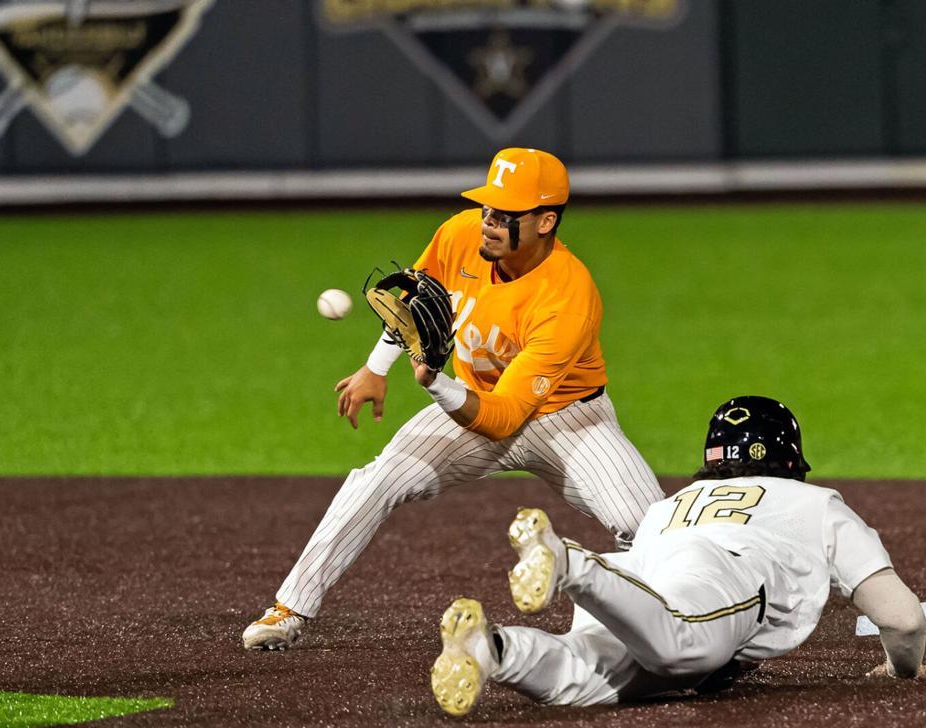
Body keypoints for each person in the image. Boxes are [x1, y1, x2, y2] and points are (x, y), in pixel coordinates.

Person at [242, 148, 664, 650]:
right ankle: (289, 608)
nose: (489, 223)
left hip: (570, 421)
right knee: (376, 480)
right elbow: (417, 303)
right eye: (488, 208)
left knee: (653, 527)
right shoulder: (460, 233)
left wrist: (436, 383)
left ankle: (670, 637)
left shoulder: (568, 296)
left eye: (507, 215)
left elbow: (506, 418)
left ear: (546, 220)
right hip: (470, 403)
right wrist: (376, 369)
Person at [430, 396, 926, 715]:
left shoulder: (671, 503)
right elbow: (902, 618)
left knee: (581, 678)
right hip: (718, 575)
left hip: (638, 572)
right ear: (790, 458)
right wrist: (905, 671)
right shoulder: (814, 501)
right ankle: (569, 562)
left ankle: (492, 650)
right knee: (681, 648)